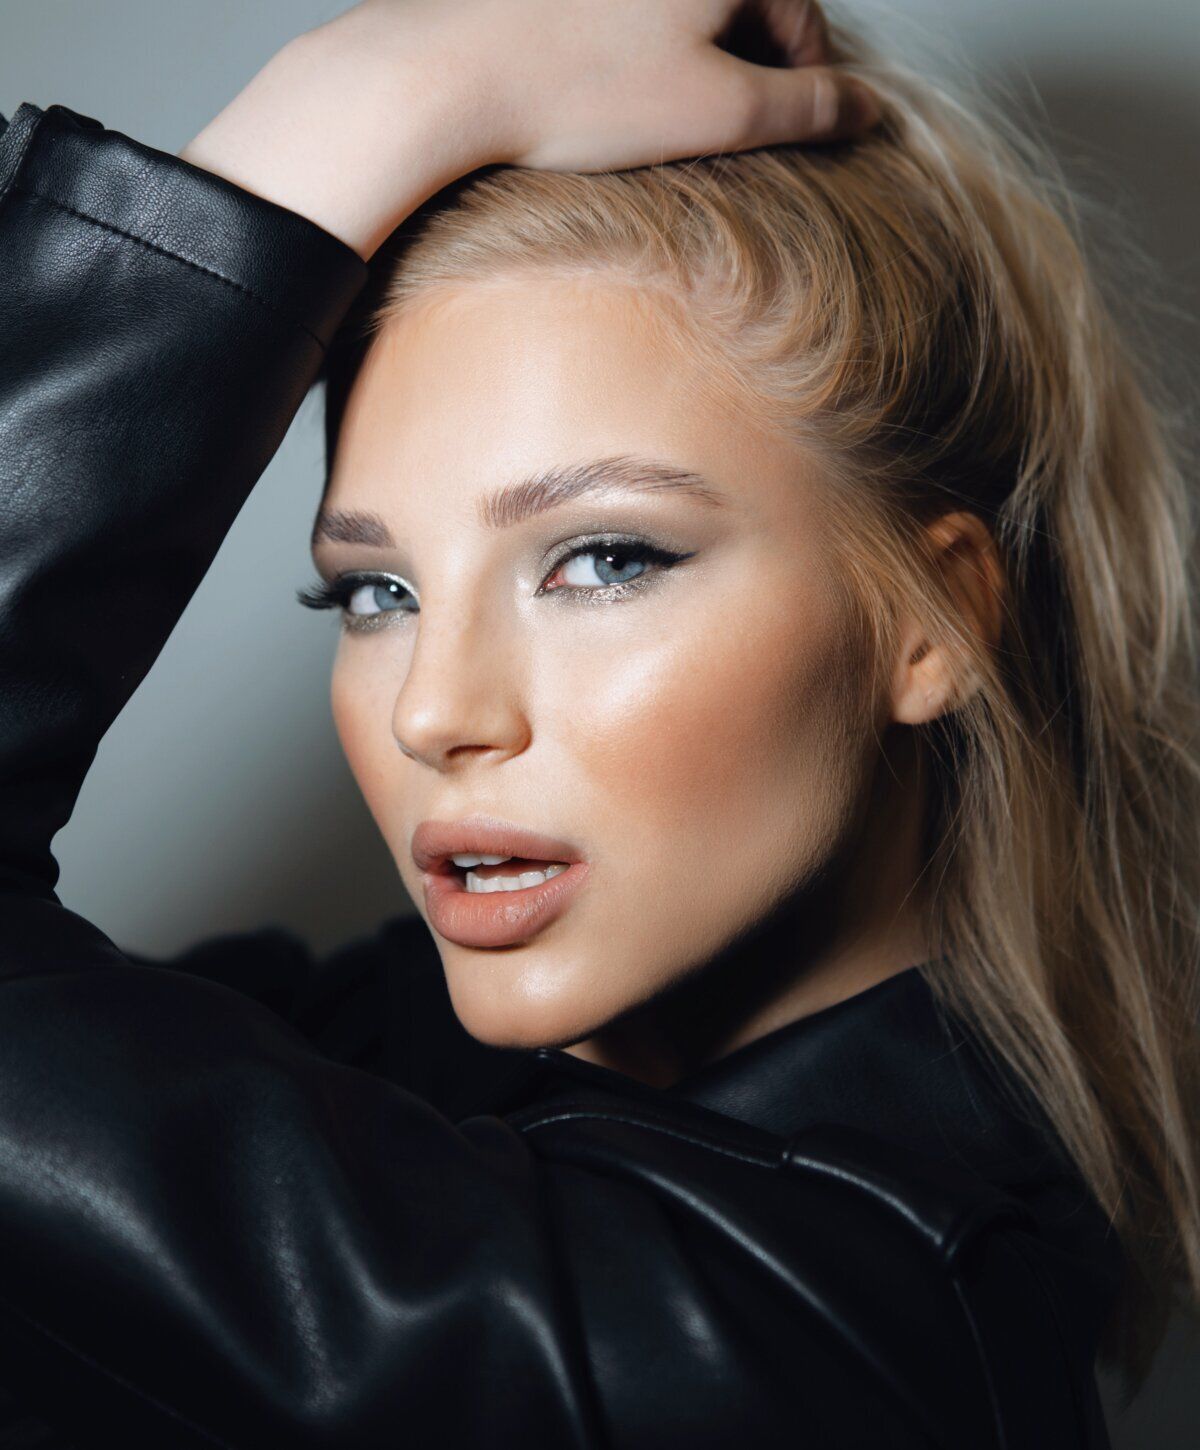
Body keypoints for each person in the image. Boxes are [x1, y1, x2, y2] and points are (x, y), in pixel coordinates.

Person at [0, 0, 1195, 1444]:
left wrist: (357, 107)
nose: (438, 709)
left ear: (931, 620)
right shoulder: (360, 1043)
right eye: (375, 591)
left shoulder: (794, 1357)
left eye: (605, 558)